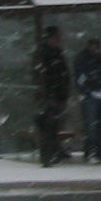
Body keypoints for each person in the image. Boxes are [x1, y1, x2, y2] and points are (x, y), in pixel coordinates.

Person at [34, 25, 72, 166]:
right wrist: (46, 92)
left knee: (54, 125)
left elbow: (63, 73)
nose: (57, 40)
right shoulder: (43, 53)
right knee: (48, 126)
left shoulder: (56, 52)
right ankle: (47, 156)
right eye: (55, 37)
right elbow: (41, 75)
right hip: (49, 95)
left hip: (57, 94)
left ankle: (54, 152)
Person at [73, 35, 101, 162]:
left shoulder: (100, 58)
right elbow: (80, 78)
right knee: (91, 126)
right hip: (91, 95)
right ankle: (92, 151)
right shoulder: (82, 59)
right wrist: (87, 91)